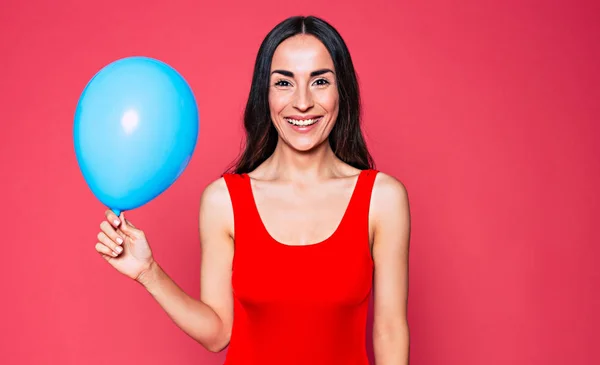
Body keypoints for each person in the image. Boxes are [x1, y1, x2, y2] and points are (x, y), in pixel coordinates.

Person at [94, 15, 411, 365]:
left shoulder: (382, 198)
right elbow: (218, 334)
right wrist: (147, 272)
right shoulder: (224, 200)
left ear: (342, 91)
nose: (302, 102)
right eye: (284, 83)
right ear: (265, 92)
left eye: (320, 81)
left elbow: (390, 329)